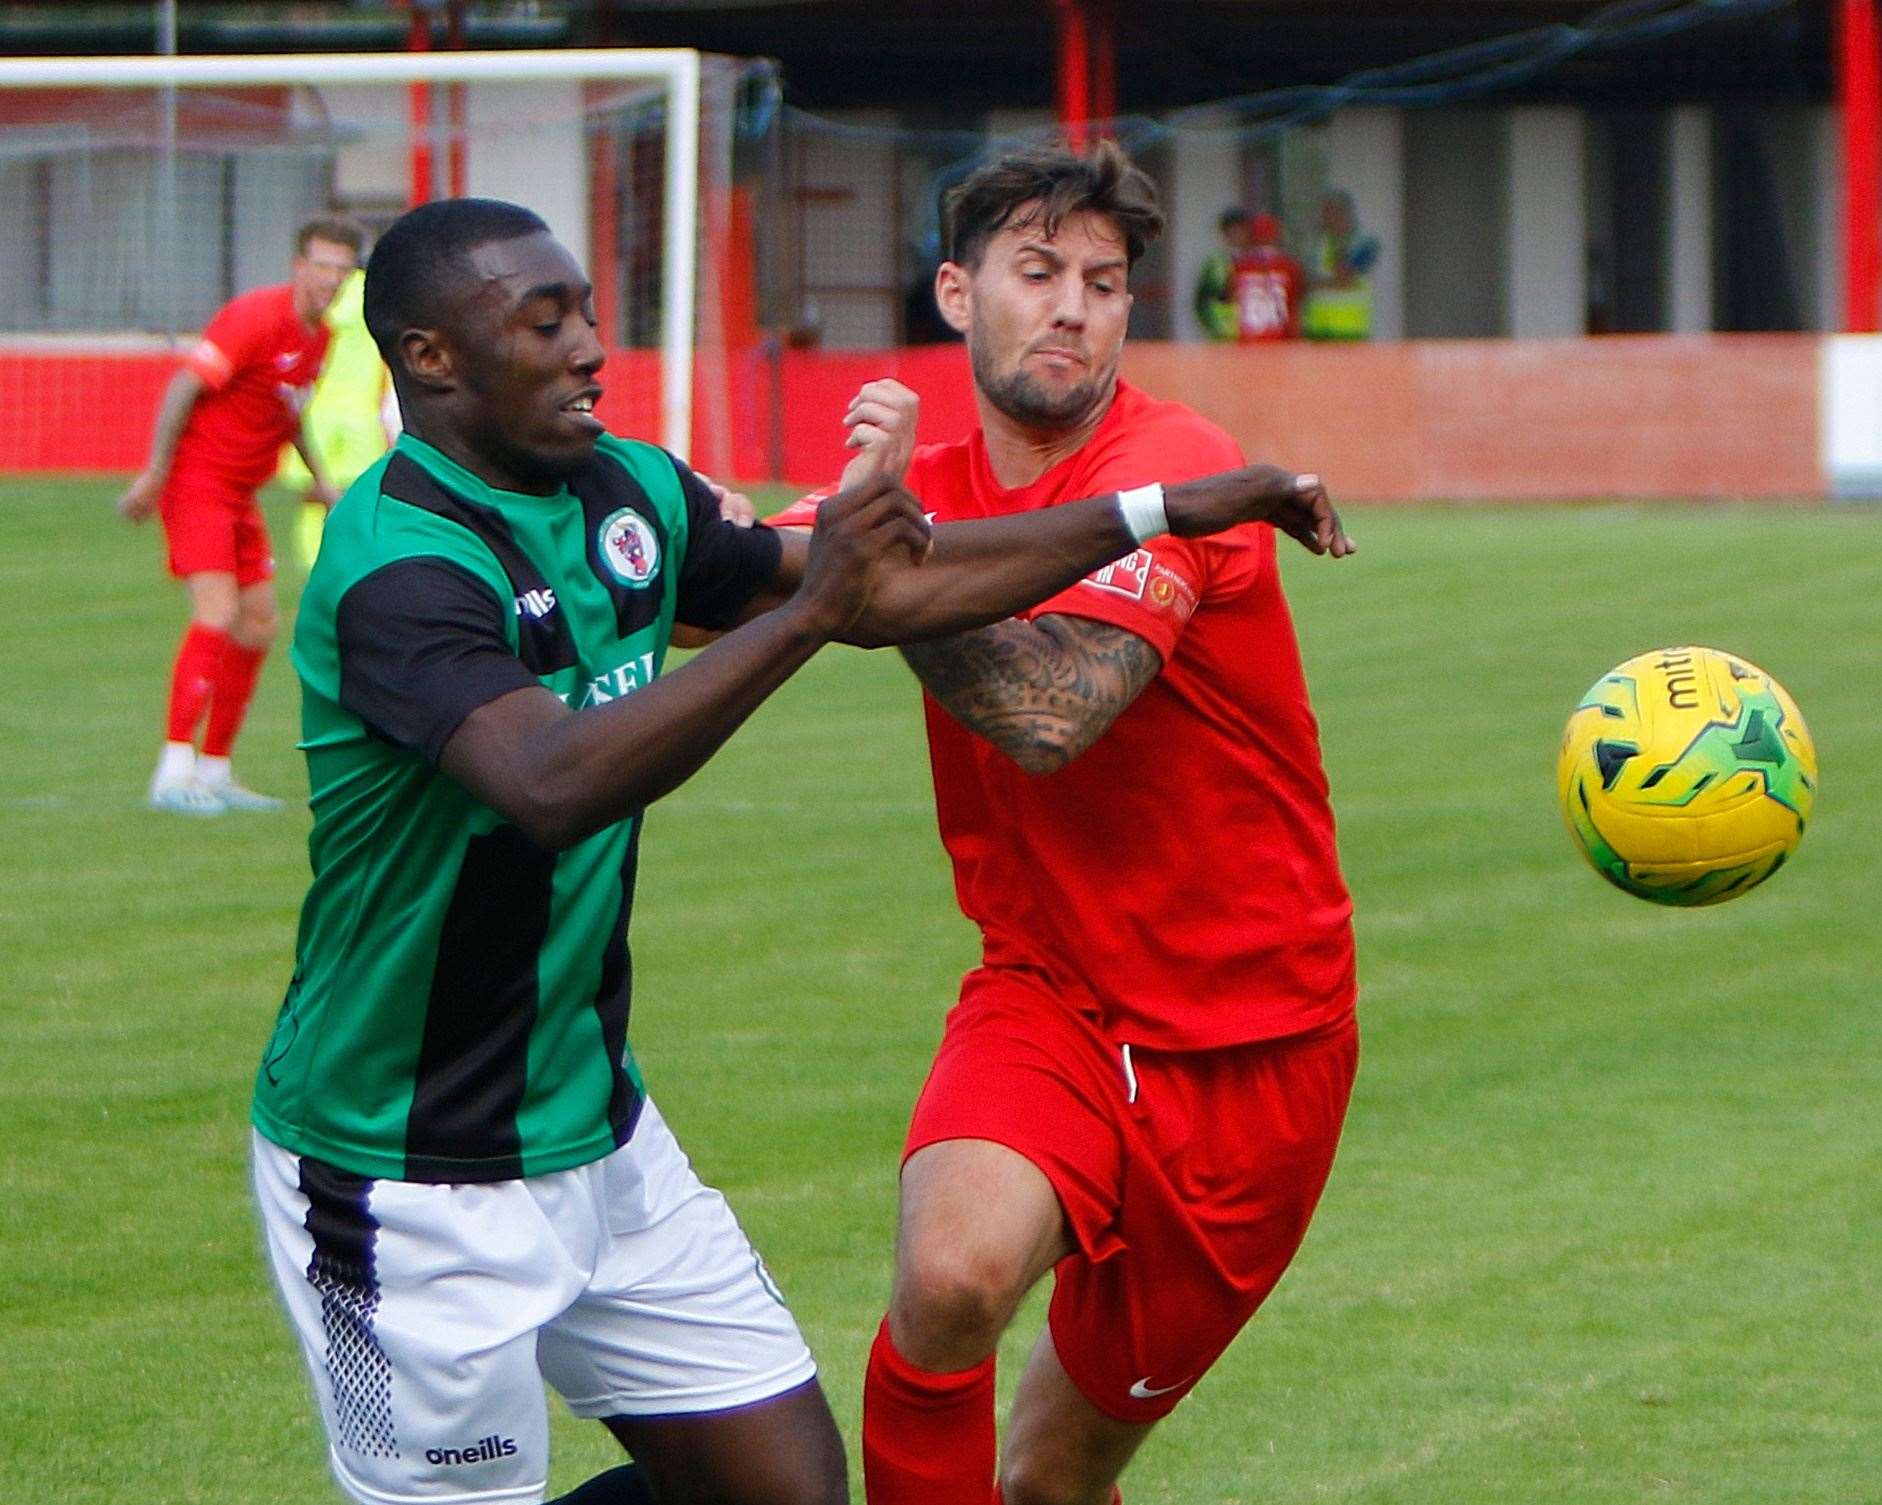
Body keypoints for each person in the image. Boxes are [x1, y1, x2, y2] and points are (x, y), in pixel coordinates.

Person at [247, 195, 1347, 1505]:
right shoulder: (397, 565)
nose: (591, 348)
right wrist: (826, 598)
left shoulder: (624, 492)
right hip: (402, 1166)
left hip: (593, 1128)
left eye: (591, 313)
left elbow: (887, 583)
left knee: (787, 1491)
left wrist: (1163, 507)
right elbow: (551, 784)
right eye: (545, 323)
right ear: (431, 358)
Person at [768, 141, 1358, 1505]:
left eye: (1103, 281)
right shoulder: (928, 492)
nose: (1075, 307)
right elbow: (730, 582)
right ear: (957, 295)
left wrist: (877, 571)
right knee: (948, 1273)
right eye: (1037, 273)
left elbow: (1050, 710)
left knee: (1045, 1480)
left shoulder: (1173, 468)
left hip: (1251, 1046)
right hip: (1049, 993)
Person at [118, 215, 364, 814]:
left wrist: (320, 481)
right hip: (199, 482)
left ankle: (215, 768)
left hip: (239, 494)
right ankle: (172, 771)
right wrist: (156, 471)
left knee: (257, 625)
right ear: (298, 265)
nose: (330, 277)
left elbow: (288, 410)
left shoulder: (320, 338)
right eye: (321, 264)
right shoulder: (256, 316)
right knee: (218, 611)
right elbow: (185, 387)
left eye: (342, 267)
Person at [277, 264, 399, 568]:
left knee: (312, 496)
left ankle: (316, 569)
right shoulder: (377, 296)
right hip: (359, 413)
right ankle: (354, 565)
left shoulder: (313, 297)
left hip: (317, 412)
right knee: (365, 496)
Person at [1300, 189, 1380, 342]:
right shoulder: (1318, 243)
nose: (1324, 218)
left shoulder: (1363, 243)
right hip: (1317, 330)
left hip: (1348, 329)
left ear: (1344, 214)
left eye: (1329, 212)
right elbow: (1303, 280)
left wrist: (1316, 283)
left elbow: (1344, 280)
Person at [1231, 211, 1307, 341]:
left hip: (1247, 340)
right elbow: (1297, 300)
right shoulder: (1290, 268)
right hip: (1280, 340)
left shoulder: (1239, 268)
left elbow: (1231, 298)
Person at [1190, 206, 1248, 341]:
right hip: (1224, 335)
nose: (1236, 235)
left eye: (1240, 230)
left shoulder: (1257, 263)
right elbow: (1202, 302)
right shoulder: (1215, 265)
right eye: (1231, 231)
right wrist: (1218, 327)